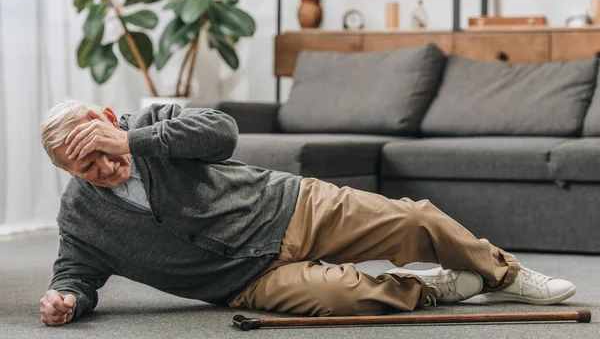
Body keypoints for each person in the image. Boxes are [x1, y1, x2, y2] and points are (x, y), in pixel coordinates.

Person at [38, 98, 576, 326]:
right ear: (67, 172)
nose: (104, 167)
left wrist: (132, 138)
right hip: (246, 282)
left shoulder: (153, 122)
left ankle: (503, 273)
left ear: (110, 118)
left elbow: (221, 133)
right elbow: (76, 271)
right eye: (84, 166)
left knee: (415, 220)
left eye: (103, 149)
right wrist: (69, 298)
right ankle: (435, 288)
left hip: (292, 206)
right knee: (351, 299)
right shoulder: (82, 217)